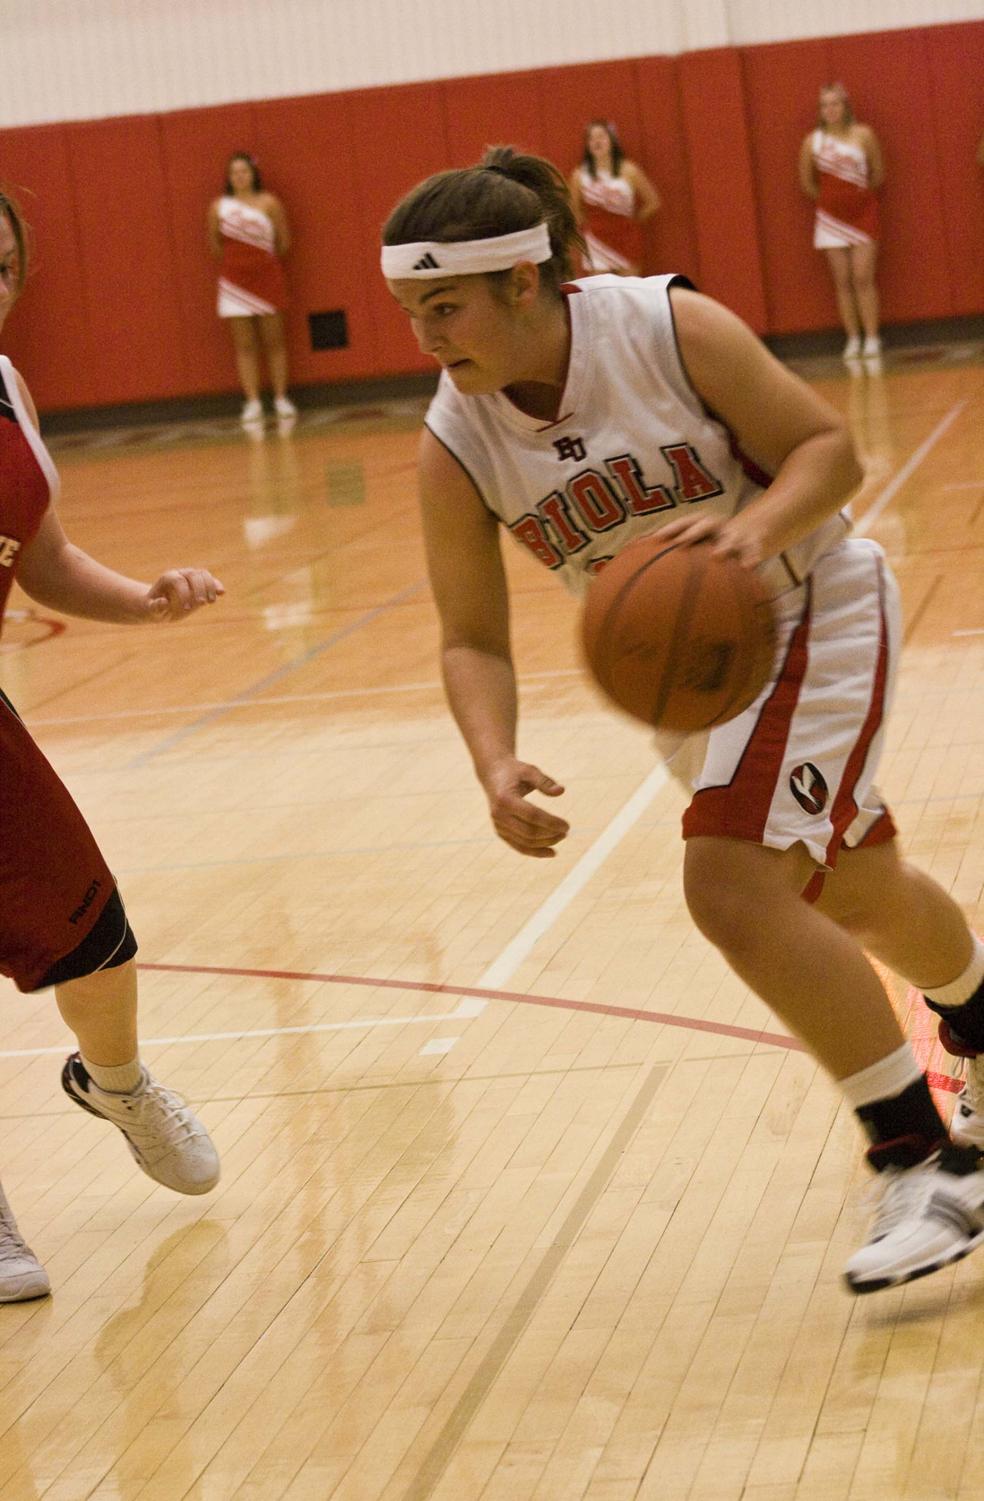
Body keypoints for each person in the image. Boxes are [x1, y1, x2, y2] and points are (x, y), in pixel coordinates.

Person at [380, 146, 984, 1295]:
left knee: (731, 882)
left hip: (809, 604)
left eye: (444, 306)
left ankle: (926, 1161)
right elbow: (471, 634)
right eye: (410, 311)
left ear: (526, 282)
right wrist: (494, 757)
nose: (425, 337)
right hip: (698, 676)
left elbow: (828, 448)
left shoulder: (660, 327)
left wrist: (751, 542)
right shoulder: (454, 440)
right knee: (849, 889)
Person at [0, 188, 225, 1303]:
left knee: (96, 935)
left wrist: (144, 602)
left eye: (3, 266)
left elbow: (39, 560)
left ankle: (118, 1082)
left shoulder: (6, 385)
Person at [207, 151, 297, 426]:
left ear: (253, 174)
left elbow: (283, 242)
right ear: (229, 177)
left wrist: (260, 260)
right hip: (234, 282)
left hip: (267, 277)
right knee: (244, 345)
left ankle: (281, 398)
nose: (240, 177)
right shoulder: (218, 207)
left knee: (275, 341)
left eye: (244, 171)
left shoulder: (269, 202)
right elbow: (214, 245)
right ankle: (253, 402)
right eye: (234, 173)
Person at [798, 84, 885, 363]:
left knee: (863, 277)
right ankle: (853, 339)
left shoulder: (864, 134)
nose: (830, 110)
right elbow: (807, 182)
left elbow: (879, 173)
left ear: (846, 106)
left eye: (835, 104)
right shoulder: (813, 141)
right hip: (830, 218)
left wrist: (858, 198)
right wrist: (831, 202)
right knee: (843, 281)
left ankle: (872, 337)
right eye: (825, 105)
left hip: (864, 213)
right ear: (820, 111)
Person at [568, 120, 660, 276]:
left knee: (630, 290)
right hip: (596, 240)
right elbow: (574, 210)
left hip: (627, 238)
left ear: (612, 140)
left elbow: (653, 202)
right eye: (591, 138)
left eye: (601, 136)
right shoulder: (579, 175)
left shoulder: (630, 170)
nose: (596, 141)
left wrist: (633, 222)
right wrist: (588, 229)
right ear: (587, 145)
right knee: (600, 292)